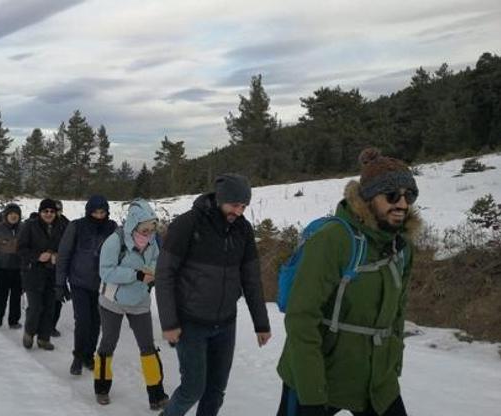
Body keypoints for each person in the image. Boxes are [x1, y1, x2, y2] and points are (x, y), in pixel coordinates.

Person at [276, 148, 419, 416]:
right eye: (391, 195)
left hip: (376, 380)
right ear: (367, 198)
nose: (401, 204)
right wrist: (311, 395)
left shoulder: (402, 247)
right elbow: (301, 318)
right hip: (319, 375)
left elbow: (398, 313)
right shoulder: (333, 240)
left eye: (408, 195)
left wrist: (393, 363)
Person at [156, 173, 271, 416]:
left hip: (226, 324)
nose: (239, 211)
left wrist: (261, 323)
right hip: (191, 323)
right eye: (234, 205)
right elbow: (164, 273)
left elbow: (251, 278)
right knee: (193, 388)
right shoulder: (187, 224)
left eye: (243, 206)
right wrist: (169, 322)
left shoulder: (243, 230)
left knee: (216, 391)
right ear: (220, 199)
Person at [94, 199, 169, 410]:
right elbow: (105, 271)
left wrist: (152, 269)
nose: (149, 231)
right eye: (145, 227)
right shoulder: (114, 241)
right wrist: (136, 274)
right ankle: (101, 388)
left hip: (139, 301)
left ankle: (157, 395)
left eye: (152, 226)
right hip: (112, 301)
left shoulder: (153, 240)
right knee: (108, 343)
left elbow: (157, 260)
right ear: (134, 223)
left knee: (148, 347)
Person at [56, 195, 117, 375]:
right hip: (79, 281)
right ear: (88, 211)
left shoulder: (112, 228)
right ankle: (78, 356)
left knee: (96, 322)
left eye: (102, 212)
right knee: (83, 321)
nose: (99, 216)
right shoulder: (76, 226)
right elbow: (64, 254)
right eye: (95, 212)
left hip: (102, 283)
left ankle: (89, 355)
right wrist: (60, 283)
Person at [18, 199, 66, 350]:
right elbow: (20, 249)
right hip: (33, 272)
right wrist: (37, 256)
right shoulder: (30, 226)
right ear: (40, 212)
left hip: (53, 273)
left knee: (50, 307)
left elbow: (67, 248)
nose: (49, 214)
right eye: (45, 211)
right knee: (36, 306)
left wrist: (57, 255)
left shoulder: (63, 226)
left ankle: (44, 338)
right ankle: (29, 332)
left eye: (52, 211)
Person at [0, 203, 24, 329]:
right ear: (6, 215)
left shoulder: (24, 228)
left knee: (16, 296)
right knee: (1, 295)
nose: (14, 216)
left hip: (18, 268)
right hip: (1, 267)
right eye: (11, 214)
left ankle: (13, 321)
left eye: (16, 214)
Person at [51, 199, 70, 338]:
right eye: (54, 210)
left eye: (58, 210)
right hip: (44, 265)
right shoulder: (44, 223)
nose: (56, 213)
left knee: (58, 298)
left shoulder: (67, 224)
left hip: (60, 266)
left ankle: (52, 326)